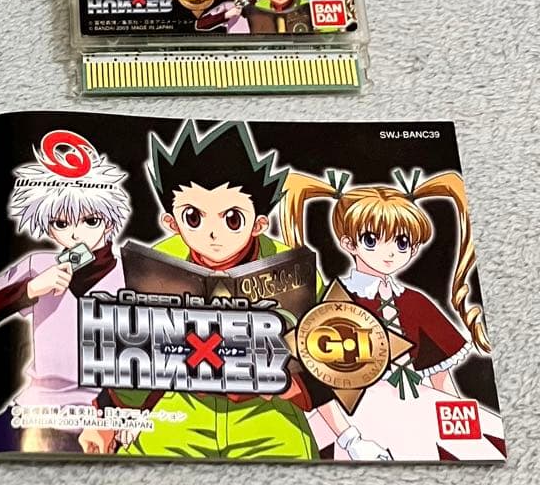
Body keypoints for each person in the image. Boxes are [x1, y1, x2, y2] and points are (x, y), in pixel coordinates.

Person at [79, 121, 329, 460]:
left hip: (265, 414)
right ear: (172, 222)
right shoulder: (157, 263)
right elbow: (135, 351)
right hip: (181, 411)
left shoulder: (293, 269)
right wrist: (105, 419)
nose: (213, 233)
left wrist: (295, 386)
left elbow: (333, 359)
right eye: (194, 218)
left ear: (259, 223)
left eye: (232, 219)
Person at [280, 169, 505, 460]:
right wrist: (349, 439)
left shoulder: (415, 301)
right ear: (348, 243)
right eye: (371, 239)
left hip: (417, 408)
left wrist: (457, 422)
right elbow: (320, 384)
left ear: (414, 248)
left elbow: (440, 375)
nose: (389, 253)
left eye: (401, 243)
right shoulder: (336, 301)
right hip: (353, 414)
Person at [0, 131, 131, 454]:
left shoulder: (130, 272)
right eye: (62, 224)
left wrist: (120, 415)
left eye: (90, 220)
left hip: (99, 418)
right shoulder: (39, 264)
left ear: (109, 223)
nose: (76, 233)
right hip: (35, 410)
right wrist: (29, 289)